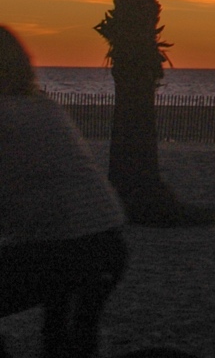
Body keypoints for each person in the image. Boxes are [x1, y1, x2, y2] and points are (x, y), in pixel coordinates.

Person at [0, 27, 128, 358]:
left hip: (69, 248)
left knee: (65, 337)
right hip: (103, 242)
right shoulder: (42, 106)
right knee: (66, 339)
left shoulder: (8, 114)